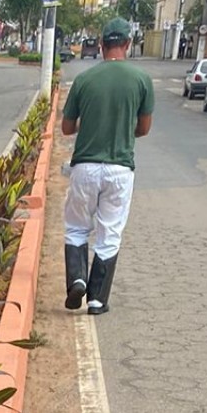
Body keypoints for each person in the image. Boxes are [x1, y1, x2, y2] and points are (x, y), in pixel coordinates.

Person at [60, 17, 154, 316]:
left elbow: (66, 127)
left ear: (101, 46)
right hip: (120, 168)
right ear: (127, 44)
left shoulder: (84, 81)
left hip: (85, 166)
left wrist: (91, 125)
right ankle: (97, 300)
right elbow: (143, 129)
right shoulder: (141, 80)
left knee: (76, 227)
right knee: (109, 232)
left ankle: (76, 279)